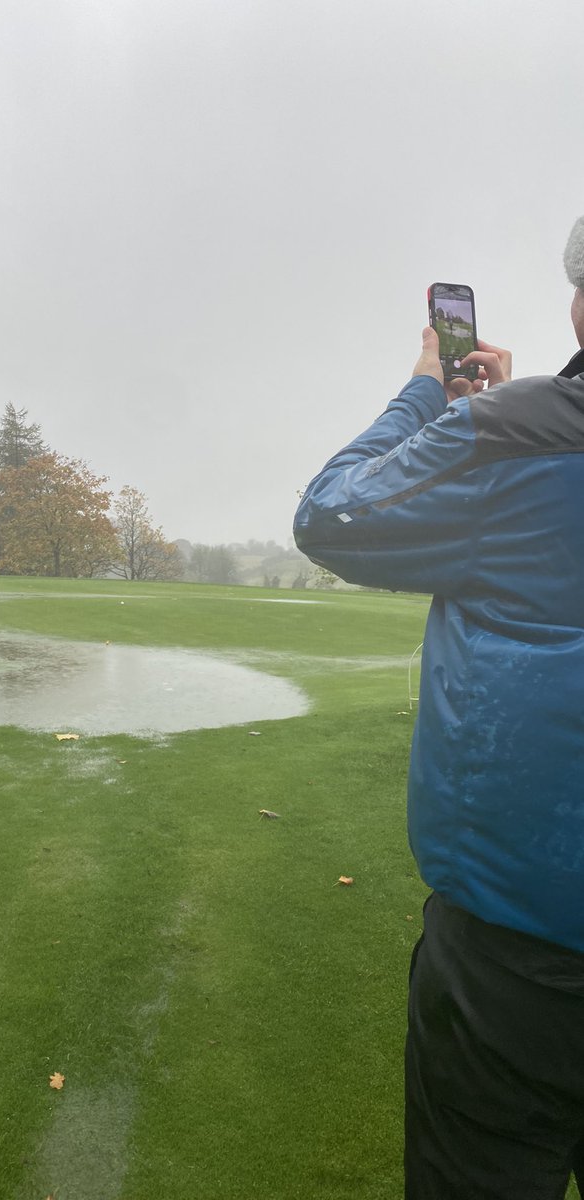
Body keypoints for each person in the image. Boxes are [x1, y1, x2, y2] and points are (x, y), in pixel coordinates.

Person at [293, 216, 584, 1199]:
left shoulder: (514, 435)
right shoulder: (522, 431)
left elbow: (332, 513)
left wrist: (432, 390)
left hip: (518, 965)